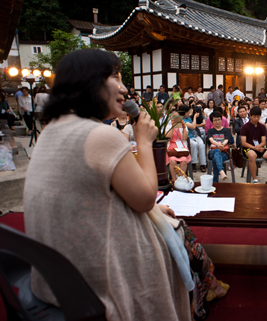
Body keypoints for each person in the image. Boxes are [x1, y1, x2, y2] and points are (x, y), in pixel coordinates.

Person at [24, 49, 194, 320]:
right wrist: (145, 142)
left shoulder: (51, 129)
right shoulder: (101, 135)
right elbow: (146, 198)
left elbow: (91, 194)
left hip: (52, 276)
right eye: (115, 76)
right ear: (89, 81)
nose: (124, 88)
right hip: (91, 280)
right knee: (178, 231)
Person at [240, 107, 267, 184]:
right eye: (254, 117)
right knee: (252, 155)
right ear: (250, 115)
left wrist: (259, 147)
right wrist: (255, 148)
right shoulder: (245, 127)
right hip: (248, 148)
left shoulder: (262, 127)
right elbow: (244, 143)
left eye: (258, 117)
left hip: (260, 147)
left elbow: (263, 141)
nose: (256, 119)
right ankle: (255, 179)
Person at [207, 111, 233, 182]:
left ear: (221, 120)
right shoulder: (210, 131)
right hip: (212, 151)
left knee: (216, 158)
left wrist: (222, 145)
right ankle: (221, 171)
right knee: (216, 151)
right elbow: (211, 140)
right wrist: (219, 145)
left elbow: (227, 140)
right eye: (215, 120)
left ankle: (216, 180)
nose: (217, 121)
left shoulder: (227, 130)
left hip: (224, 152)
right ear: (212, 121)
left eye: (219, 119)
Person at [180, 105, 207, 173]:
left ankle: (202, 163)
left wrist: (195, 112)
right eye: (187, 112)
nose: (188, 114)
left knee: (202, 145)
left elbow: (192, 113)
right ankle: (193, 163)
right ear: (183, 113)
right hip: (188, 137)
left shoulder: (188, 116)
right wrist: (194, 117)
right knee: (194, 145)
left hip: (195, 135)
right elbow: (193, 126)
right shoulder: (182, 120)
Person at [166, 111, 191, 183]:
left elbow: (185, 138)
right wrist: (172, 125)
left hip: (181, 147)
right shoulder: (168, 126)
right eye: (173, 117)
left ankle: (181, 180)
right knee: (172, 160)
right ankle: (174, 180)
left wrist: (183, 127)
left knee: (183, 161)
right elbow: (168, 137)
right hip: (172, 147)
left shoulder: (183, 125)